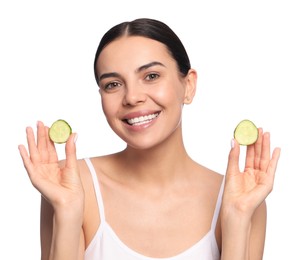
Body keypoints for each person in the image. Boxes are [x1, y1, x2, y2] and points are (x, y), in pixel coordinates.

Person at [18, 18, 281, 260]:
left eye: (151, 76)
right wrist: (66, 210)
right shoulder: (72, 185)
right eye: (112, 84)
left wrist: (236, 219)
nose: (132, 97)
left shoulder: (241, 198)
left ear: (188, 86)